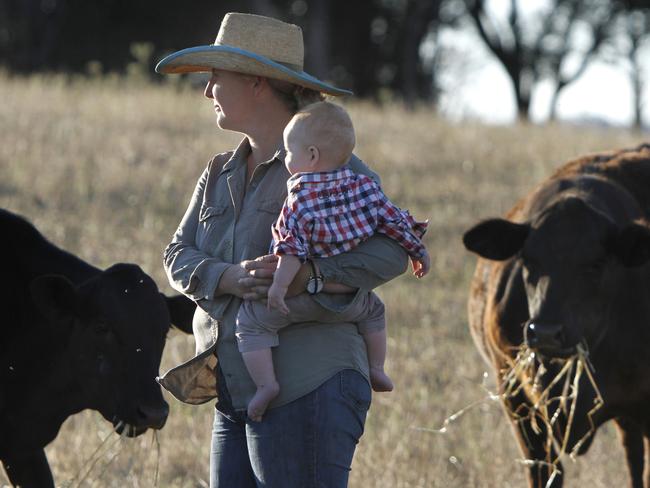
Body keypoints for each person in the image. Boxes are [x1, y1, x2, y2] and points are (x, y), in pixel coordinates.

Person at [157, 12, 409, 488]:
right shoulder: (219, 171)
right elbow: (176, 254)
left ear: (256, 83)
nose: (207, 92)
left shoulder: (332, 167)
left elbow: (394, 252)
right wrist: (226, 277)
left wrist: (309, 275)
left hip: (309, 387)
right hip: (235, 394)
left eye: (216, 78)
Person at [236, 101, 430, 421]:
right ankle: (378, 368)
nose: (285, 158)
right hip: (347, 299)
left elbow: (291, 249)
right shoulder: (364, 187)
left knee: (251, 322)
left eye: (288, 152)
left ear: (311, 156)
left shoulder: (298, 200)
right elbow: (396, 222)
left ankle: (266, 385)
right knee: (375, 310)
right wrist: (419, 253)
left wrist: (280, 287)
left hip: (299, 299)